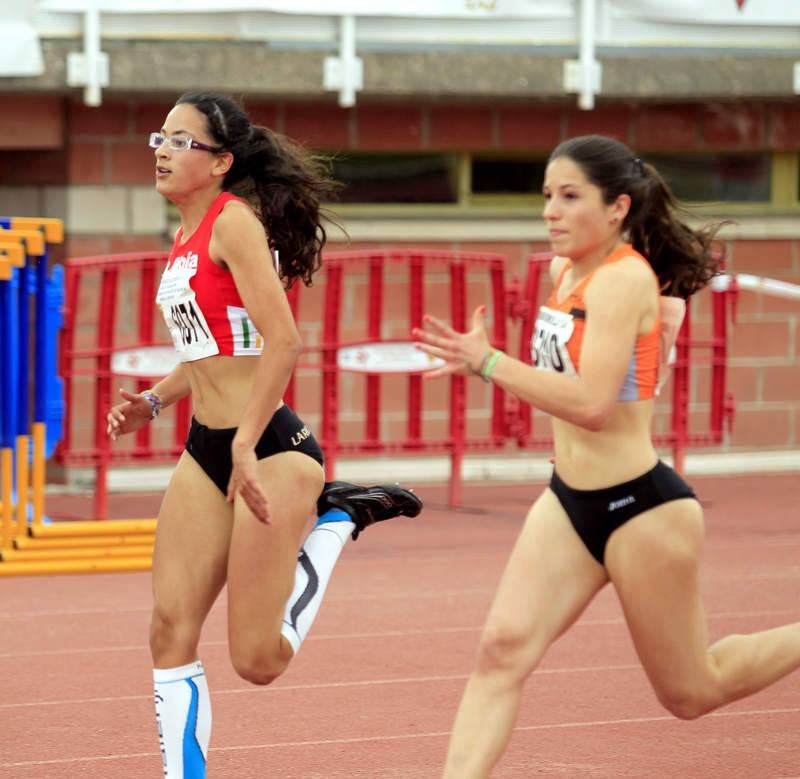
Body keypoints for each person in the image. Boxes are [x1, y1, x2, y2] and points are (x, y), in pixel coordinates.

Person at [413, 134, 800, 779]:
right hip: (569, 502)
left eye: (570, 197)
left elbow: (593, 404)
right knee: (502, 650)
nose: (551, 212)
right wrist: (491, 362)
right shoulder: (567, 273)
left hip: (641, 509)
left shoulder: (624, 279)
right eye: (546, 197)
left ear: (617, 207)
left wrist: (486, 361)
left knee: (691, 693)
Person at [105, 92, 422, 779]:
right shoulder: (184, 238)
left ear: (220, 162)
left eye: (181, 140)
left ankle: (340, 517)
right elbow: (214, 350)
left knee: (256, 659)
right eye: (159, 136)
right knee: (168, 629)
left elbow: (284, 343)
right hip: (207, 448)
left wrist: (246, 441)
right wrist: (153, 403)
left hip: (272, 449)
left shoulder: (234, 224)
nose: (162, 149)